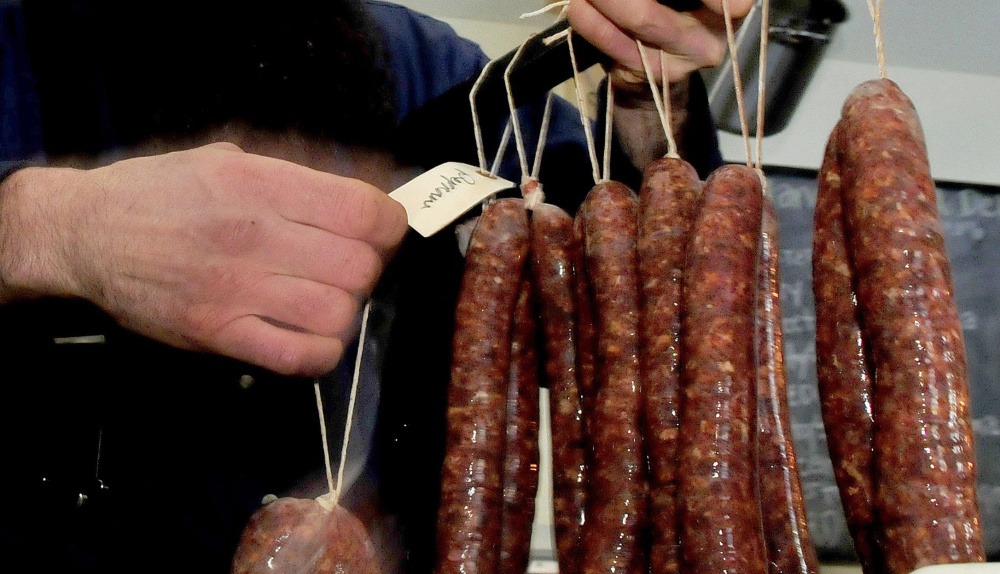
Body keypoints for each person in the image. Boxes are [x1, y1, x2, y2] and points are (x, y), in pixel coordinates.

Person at [0, 0, 752, 571]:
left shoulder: (424, 61)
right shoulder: (18, 42)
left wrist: (648, 87)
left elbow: (633, 285)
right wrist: (44, 229)